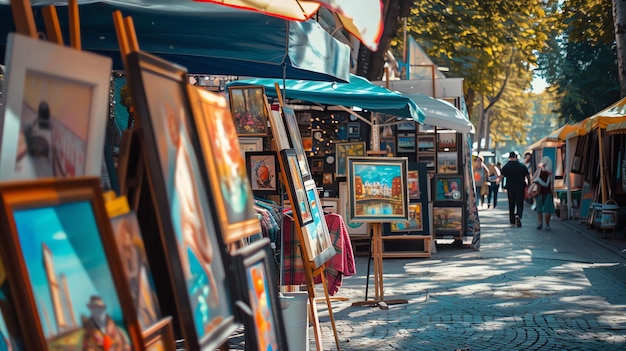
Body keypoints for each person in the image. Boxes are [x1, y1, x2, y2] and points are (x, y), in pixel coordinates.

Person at [500, 151, 531, 227]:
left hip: (510, 187)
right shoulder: (522, 166)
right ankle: (518, 215)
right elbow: (528, 176)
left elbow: (502, 176)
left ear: (509, 157)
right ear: (516, 157)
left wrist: (502, 186)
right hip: (520, 187)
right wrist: (529, 184)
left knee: (511, 204)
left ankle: (512, 220)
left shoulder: (506, 166)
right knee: (520, 203)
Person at [533, 156, 556, 230]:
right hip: (543, 192)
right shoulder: (546, 172)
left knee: (544, 209)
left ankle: (543, 223)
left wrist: (538, 180)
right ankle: (544, 223)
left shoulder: (548, 173)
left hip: (543, 192)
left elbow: (546, 184)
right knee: (543, 209)